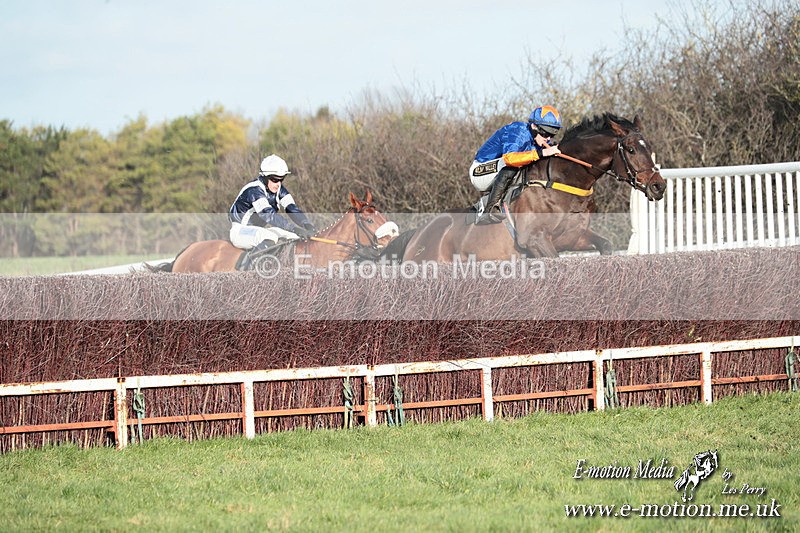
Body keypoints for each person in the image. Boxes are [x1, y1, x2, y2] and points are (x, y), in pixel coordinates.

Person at [470, 105, 563, 224]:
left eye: (552, 134)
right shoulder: (518, 131)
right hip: (480, 170)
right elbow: (510, 159)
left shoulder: (540, 139)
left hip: (499, 172)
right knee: (513, 165)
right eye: (545, 133)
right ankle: (490, 209)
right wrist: (542, 152)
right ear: (534, 126)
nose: (548, 138)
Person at [228, 154, 317, 261]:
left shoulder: (279, 189)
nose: (278, 184)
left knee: (295, 237)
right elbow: (268, 215)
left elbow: (292, 208)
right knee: (270, 237)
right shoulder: (254, 190)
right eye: (275, 180)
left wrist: (307, 225)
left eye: (281, 179)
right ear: (265, 177)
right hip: (240, 231)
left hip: (259, 231)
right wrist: (293, 228)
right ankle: (249, 270)